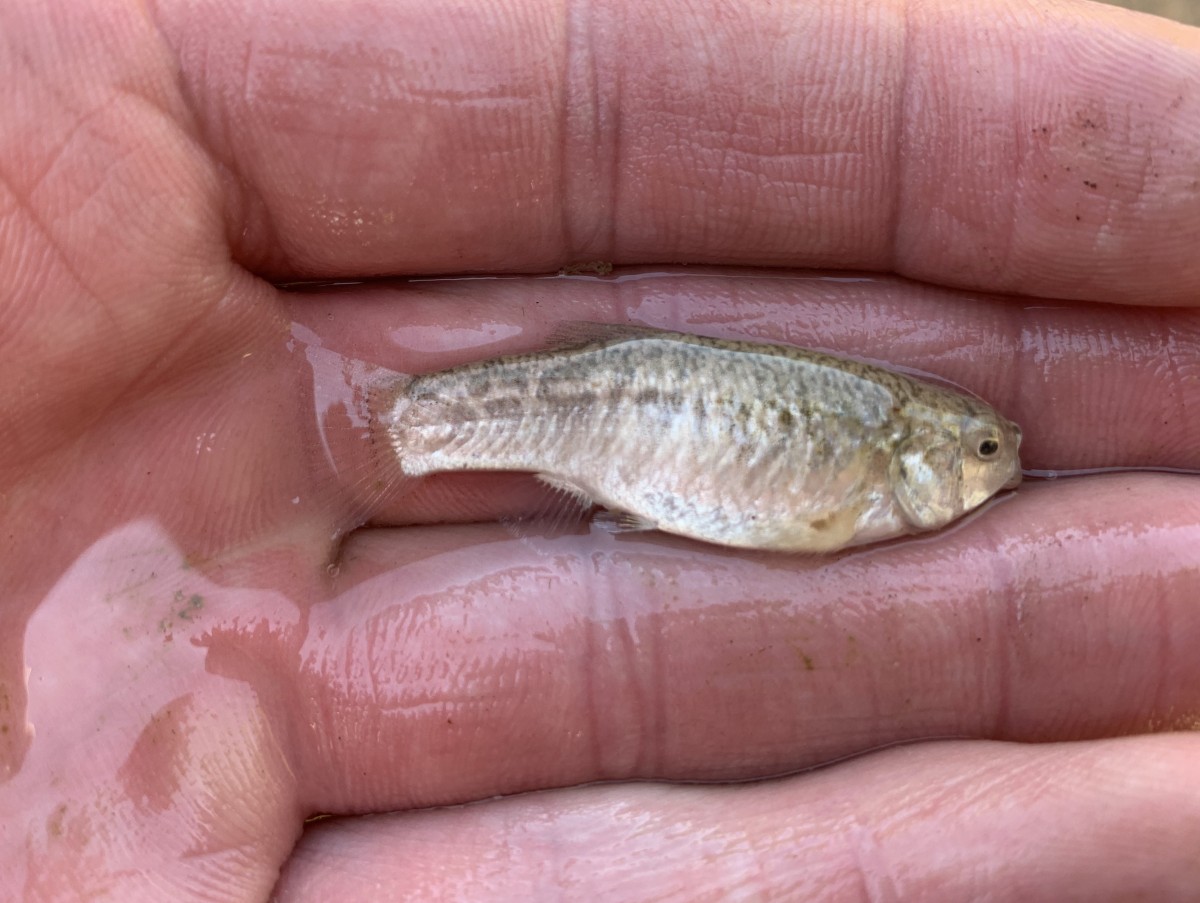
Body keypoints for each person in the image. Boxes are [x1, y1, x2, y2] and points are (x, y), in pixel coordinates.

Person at [3, 0, 1199, 898]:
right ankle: (397, 436)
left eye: (988, 453)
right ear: (928, 447)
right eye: (981, 448)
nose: (994, 466)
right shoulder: (875, 460)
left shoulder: (882, 456)